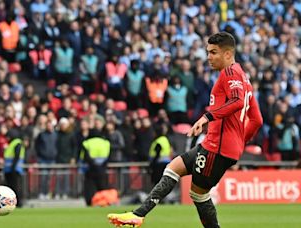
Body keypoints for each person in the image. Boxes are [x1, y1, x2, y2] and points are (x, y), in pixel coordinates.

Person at [108, 32, 263, 228]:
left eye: (214, 52)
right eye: (208, 52)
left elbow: (237, 101)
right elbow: (256, 120)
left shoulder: (230, 73)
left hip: (218, 147)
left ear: (228, 54)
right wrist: (239, 143)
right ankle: (138, 215)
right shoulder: (244, 78)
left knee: (198, 194)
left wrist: (207, 117)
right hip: (217, 144)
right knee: (173, 167)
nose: (209, 57)